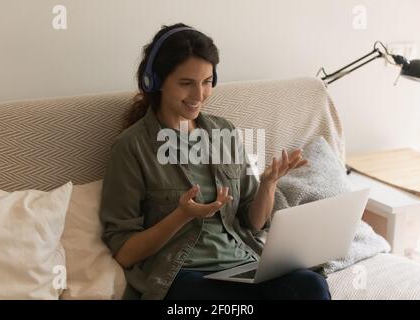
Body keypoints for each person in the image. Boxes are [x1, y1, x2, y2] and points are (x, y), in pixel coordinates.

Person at [99, 22, 331, 300]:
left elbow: (253, 222)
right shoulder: (131, 147)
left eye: (207, 82)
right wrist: (182, 215)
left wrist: (268, 184)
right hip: (182, 278)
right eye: (186, 83)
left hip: (244, 266)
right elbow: (125, 253)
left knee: (312, 285)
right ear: (156, 82)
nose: (199, 96)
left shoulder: (225, 133)